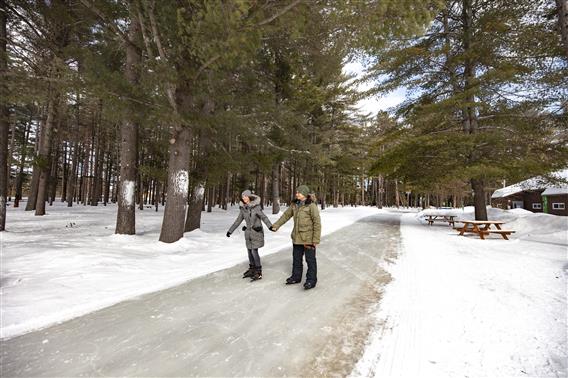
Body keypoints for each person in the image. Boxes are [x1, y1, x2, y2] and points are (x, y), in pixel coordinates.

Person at [270, 185, 321, 290]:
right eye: (297, 192)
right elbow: (286, 216)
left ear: (305, 194)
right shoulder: (295, 205)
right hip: (297, 237)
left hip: (308, 238)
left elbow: (317, 223)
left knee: (310, 260)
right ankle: (296, 277)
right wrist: (276, 225)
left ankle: (311, 280)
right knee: (296, 259)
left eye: (299, 192)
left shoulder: (311, 206)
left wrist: (315, 239)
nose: (297, 194)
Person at [226, 190, 273, 281]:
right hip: (248, 233)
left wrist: (270, 226)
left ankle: (258, 271)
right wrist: (230, 231)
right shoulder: (243, 209)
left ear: (249, 197)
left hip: (256, 232)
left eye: (245, 197)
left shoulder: (256, 207)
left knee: (254, 252)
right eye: (242, 197)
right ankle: (252, 269)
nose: (244, 199)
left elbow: (264, 217)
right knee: (249, 251)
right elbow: (238, 221)